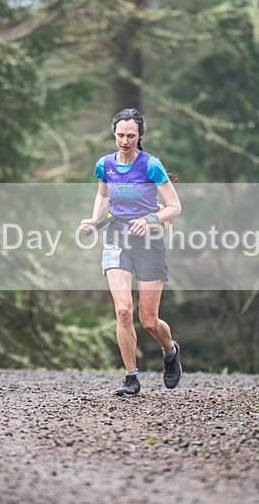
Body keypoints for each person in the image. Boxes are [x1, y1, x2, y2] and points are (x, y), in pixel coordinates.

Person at [80, 108, 183, 396]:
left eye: (131, 136)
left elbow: (175, 207)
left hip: (149, 241)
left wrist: (150, 219)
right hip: (116, 238)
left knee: (149, 320)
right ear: (114, 134)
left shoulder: (151, 165)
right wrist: (94, 220)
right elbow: (103, 195)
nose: (125, 141)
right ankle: (131, 377)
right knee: (123, 311)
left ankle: (170, 350)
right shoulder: (105, 164)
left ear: (140, 137)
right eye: (120, 135)